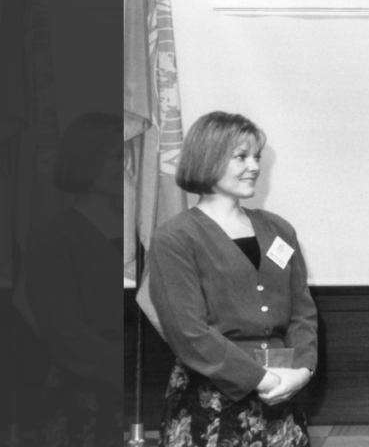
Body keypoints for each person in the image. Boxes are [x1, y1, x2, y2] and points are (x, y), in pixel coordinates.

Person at [149, 112, 318, 447]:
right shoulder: (175, 237)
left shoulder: (279, 229)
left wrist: (302, 371)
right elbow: (188, 332)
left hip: (282, 395)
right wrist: (260, 379)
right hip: (210, 402)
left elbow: (303, 313)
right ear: (207, 158)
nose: (254, 166)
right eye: (241, 157)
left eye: (257, 156)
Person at [23, 112, 124, 447]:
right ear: (86, 159)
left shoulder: (144, 230)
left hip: (144, 394)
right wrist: (124, 375)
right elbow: (62, 330)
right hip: (85, 399)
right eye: (116, 156)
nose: (126, 165)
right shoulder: (52, 237)